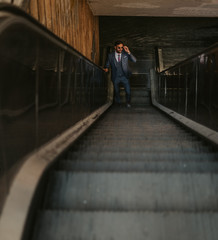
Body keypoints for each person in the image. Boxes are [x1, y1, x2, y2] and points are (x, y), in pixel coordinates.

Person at [104, 40, 137, 108]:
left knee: (128, 91)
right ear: (115, 47)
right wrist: (106, 68)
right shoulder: (110, 55)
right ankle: (119, 103)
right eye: (119, 47)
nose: (120, 49)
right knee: (116, 91)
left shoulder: (125, 54)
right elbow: (107, 64)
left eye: (121, 47)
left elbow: (134, 60)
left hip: (125, 76)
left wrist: (128, 52)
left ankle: (128, 103)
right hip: (115, 76)